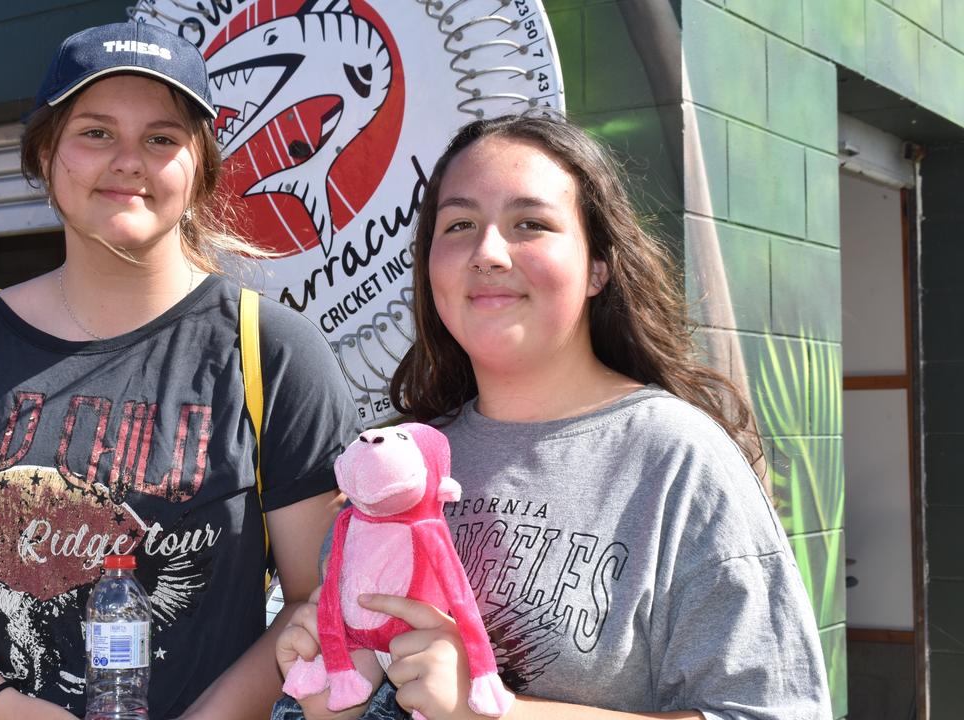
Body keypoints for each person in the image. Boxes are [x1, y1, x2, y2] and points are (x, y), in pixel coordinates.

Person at [0, 20, 358, 720]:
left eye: (162, 139)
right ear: (47, 154)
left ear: (199, 167)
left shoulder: (272, 351)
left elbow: (317, 597)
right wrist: (3, 710)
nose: (129, 161)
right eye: (96, 133)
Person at [274, 115, 832, 720]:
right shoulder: (394, 466)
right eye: (459, 225)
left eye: (530, 225)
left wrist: (496, 712)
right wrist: (328, 704)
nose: (487, 252)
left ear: (599, 267)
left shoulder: (679, 460)